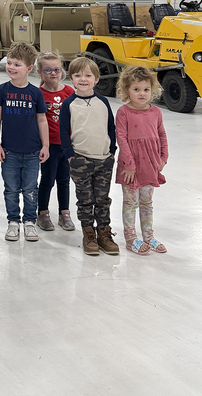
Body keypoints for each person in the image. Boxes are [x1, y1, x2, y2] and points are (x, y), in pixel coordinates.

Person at [59, 57, 118, 256]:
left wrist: (112, 151)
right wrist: (70, 156)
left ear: (96, 79)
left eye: (87, 75)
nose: (82, 79)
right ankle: (88, 233)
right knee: (85, 199)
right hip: (80, 159)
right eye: (77, 75)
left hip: (103, 159)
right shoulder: (69, 104)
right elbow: (63, 131)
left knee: (102, 199)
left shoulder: (102, 102)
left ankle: (104, 233)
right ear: (71, 78)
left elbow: (111, 127)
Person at [0, 42, 49, 243]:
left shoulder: (36, 93)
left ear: (29, 69)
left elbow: (42, 120)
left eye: (17, 64)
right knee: (11, 188)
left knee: (31, 188)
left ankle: (30, 222)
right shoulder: (2, 90)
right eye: (9, 63)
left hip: (33, 152)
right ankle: (13, 221)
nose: (11, 67)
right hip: (9, 152)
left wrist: (46, 146)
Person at [115, 65, 169, 255]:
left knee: (147, 202)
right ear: (126, 90)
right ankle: (130, 239)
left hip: (150, 165)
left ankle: (149, 236)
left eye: (146, 89)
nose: (142, 93)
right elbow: (121, 138)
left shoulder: (156, 112)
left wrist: (163, 158)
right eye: (136, 89)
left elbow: (162, 134)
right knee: (130, 202)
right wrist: (129, 165)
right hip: (130, 167)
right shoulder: (123, 112)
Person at [35, 52, 75, 233]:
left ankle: (64, 213)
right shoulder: (38, 94)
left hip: (66, 146)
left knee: (64, 180)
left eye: (56, 69)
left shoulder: (69, 92)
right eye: (48, 70)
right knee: (47, 179)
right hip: (49, 146)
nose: (53, 73)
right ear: (40, 72)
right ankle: (42, 212)